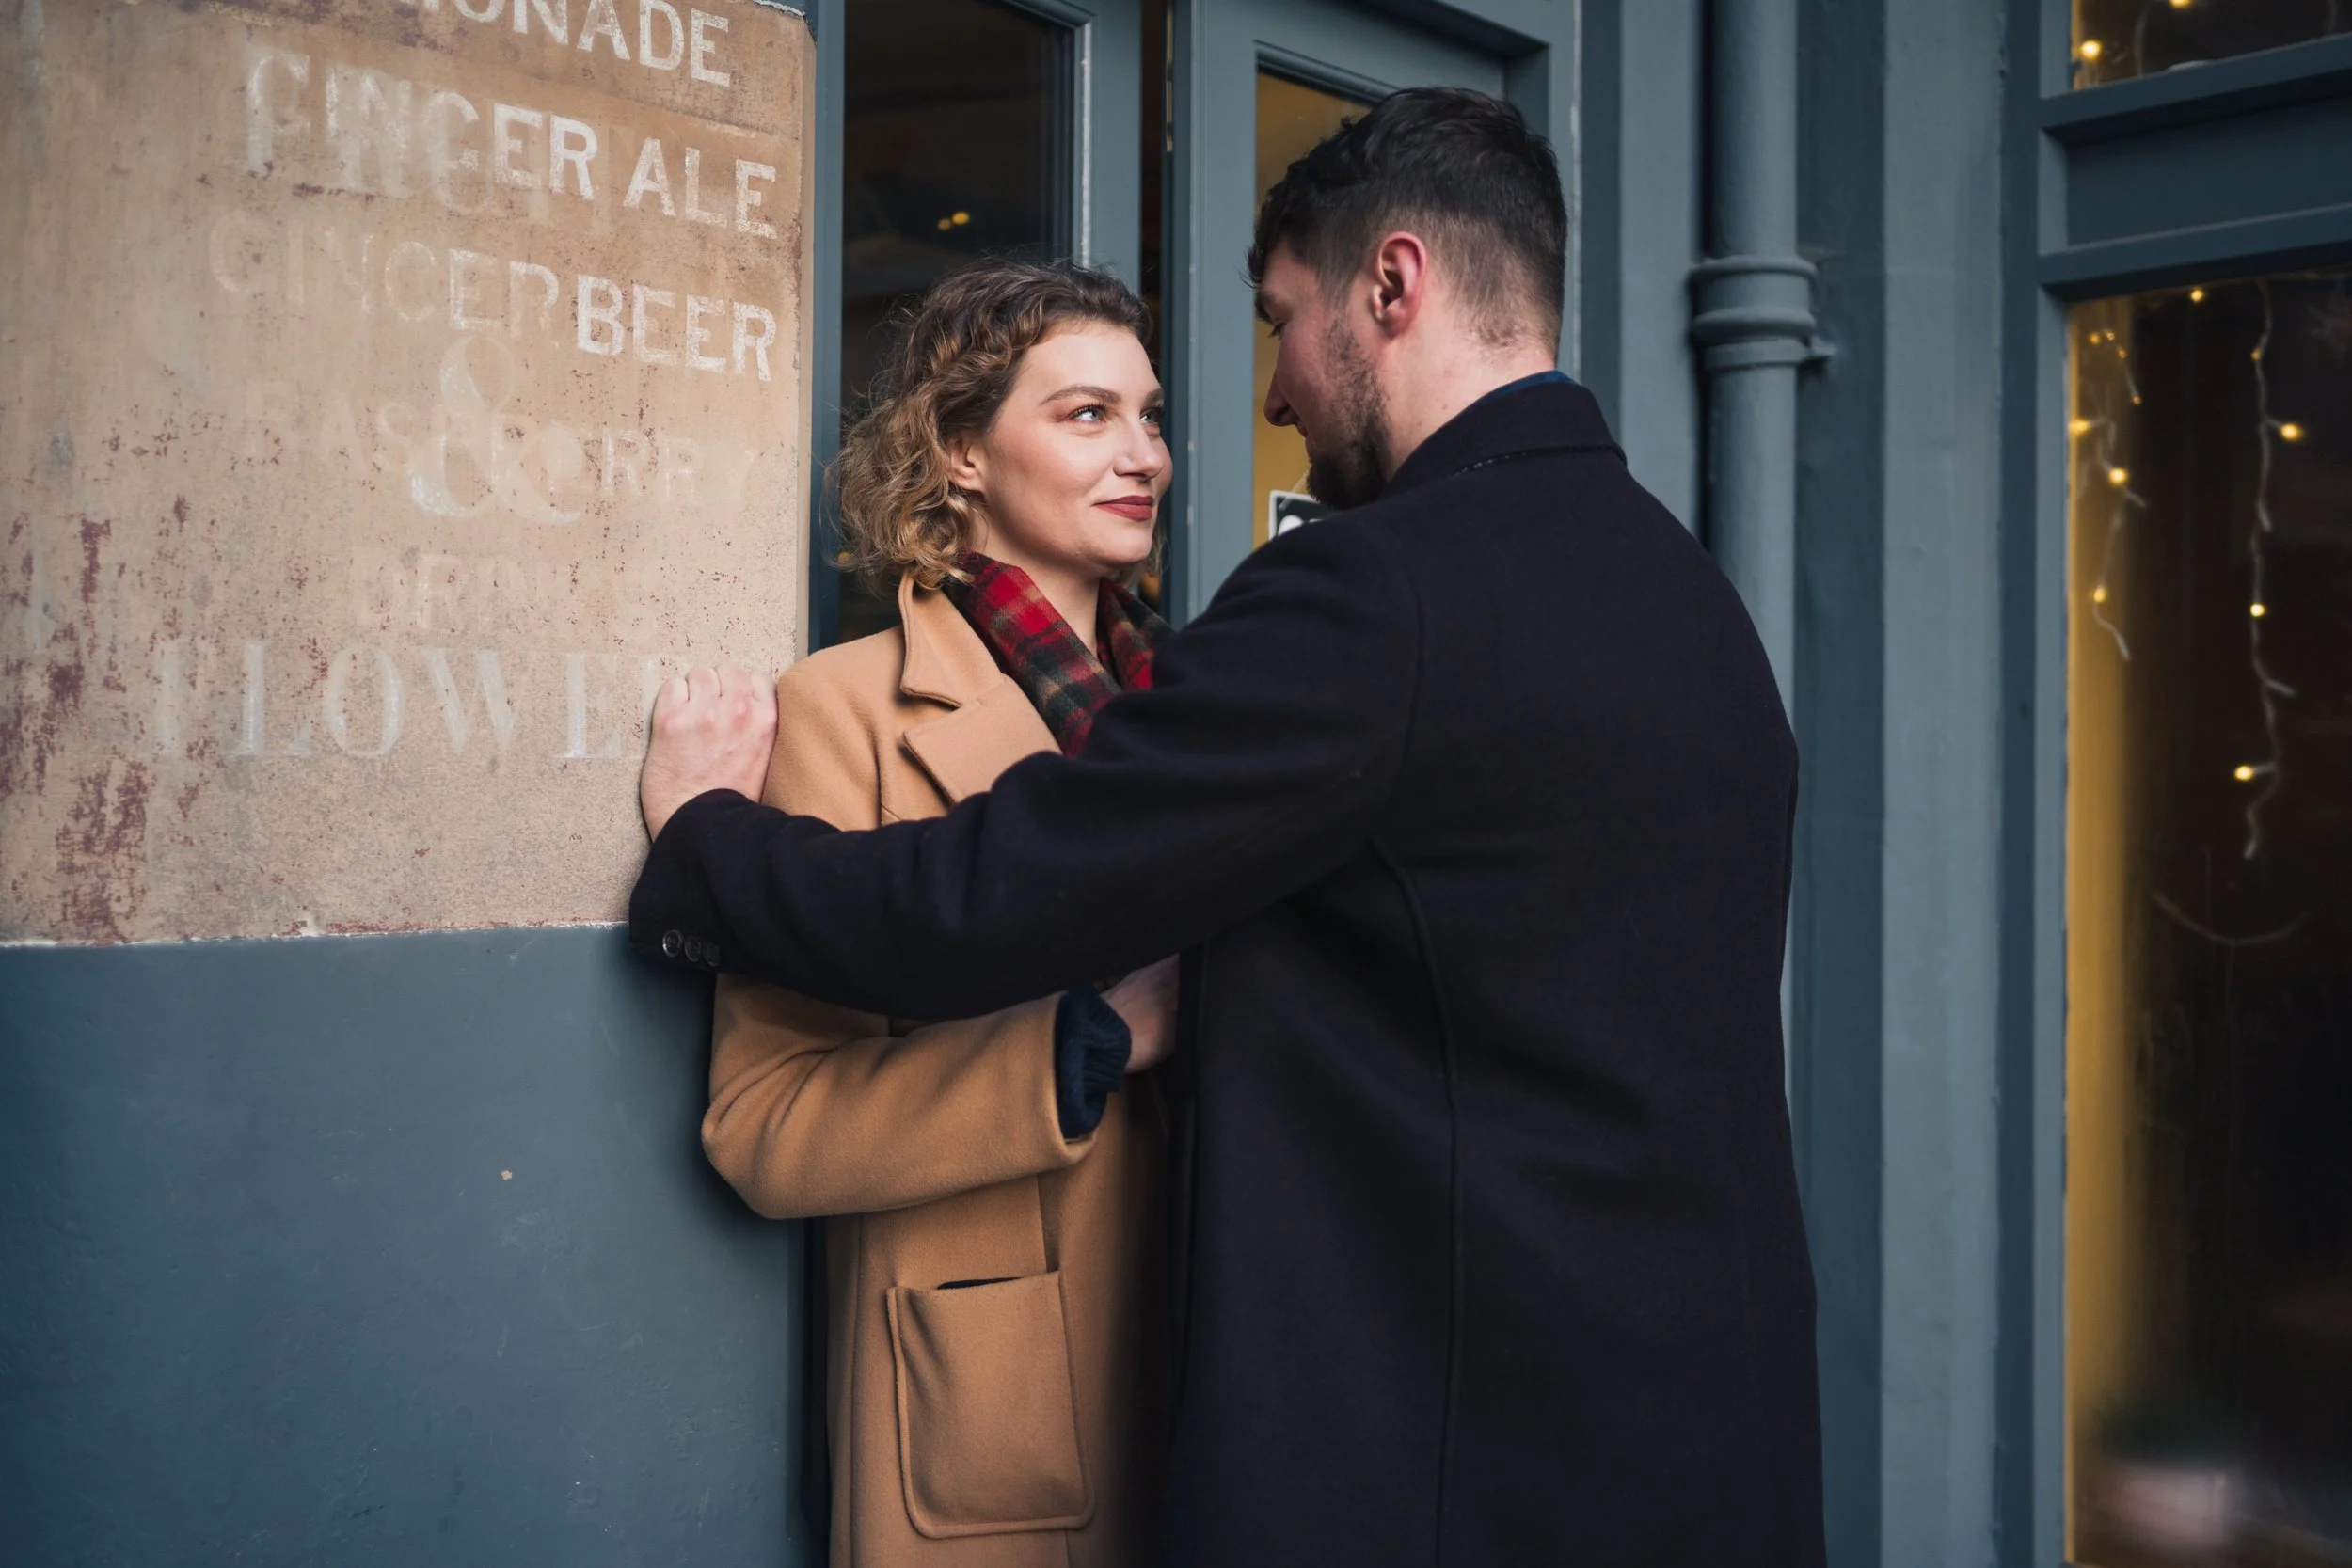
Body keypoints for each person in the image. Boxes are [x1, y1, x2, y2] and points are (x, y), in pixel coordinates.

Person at [635, 87, 1827, 1566]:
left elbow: (982, 890)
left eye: (1279, 320)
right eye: (1090, 412)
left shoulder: (1369, 603)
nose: (1263, 399)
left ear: (1390, 286)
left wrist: (699, 839)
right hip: (1686, 1443)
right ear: (960, 452)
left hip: (1447, 1457)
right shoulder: (1693, 601)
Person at [693, 259, 1183, 1568]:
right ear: (962, 450)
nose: (1141, 453)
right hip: (1001, 1418)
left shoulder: (1206, 711)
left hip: (1222, 1369)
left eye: (1149, 414)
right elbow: (765, 1122)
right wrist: (1079, 1047)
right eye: (1085, 415)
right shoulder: (848, 708)